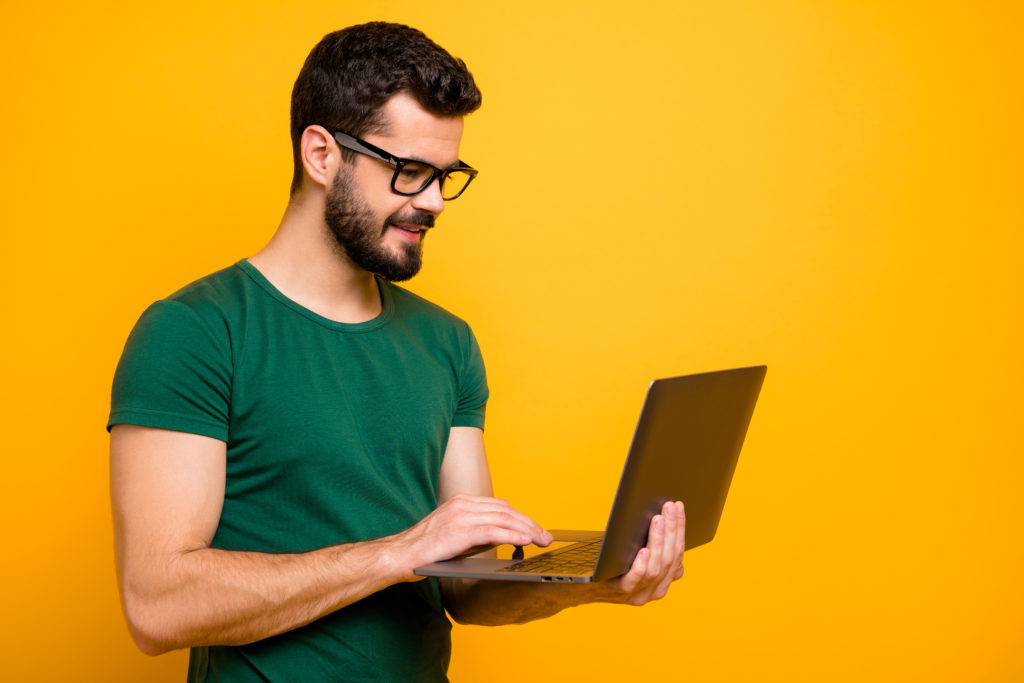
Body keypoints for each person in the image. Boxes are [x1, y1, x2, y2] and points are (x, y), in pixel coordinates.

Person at [108, 21, 686, 682]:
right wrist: (399, 551)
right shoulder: (194, 332)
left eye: (446, 175)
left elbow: (467, 586)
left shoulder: (447, 342)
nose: (435, 201)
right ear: (321, 155)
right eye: (410, 172)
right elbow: (156, 605)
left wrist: (597, 580)